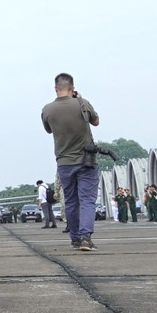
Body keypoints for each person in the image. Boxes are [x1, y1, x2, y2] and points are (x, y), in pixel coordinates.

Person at [40, 73, 100, 250]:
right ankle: (85, 237)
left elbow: (49, 130)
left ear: (55, 88)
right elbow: (96, 122)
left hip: (64, 163)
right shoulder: (82, 104)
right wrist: (80, 100)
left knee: (71, 201)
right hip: (86, 160)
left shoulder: (47, 109)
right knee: (87, 200)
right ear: (73, 88)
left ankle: (74, 238)